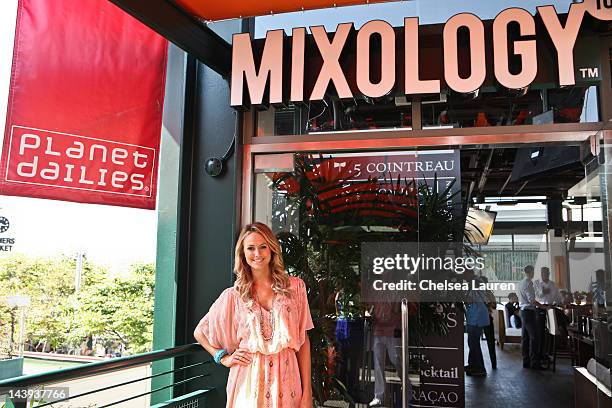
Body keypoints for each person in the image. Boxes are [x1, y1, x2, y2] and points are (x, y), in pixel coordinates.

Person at [194, 222, 314, 408]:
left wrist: (308, 392)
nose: (257, 254)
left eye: (263, 247)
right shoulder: (233, 296)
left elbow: (303, 340)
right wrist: (223, 358)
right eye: (251, 248)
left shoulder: (295, 288)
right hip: (248, 382)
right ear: (243, 253)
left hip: (288, 380)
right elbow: (200, 332)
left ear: (272, 249)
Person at [369, 301, 402, 407]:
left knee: (396, 359)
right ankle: (379, 396)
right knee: (378, 364)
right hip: (378, 330)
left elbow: (397, 309)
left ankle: (406, 386)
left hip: (393, 330)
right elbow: (370, 308)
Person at [517, 265, 547, 370]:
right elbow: (532, 300)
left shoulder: (520, 283)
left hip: (523, 311)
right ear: (531, 272)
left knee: (525, 338)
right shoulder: (529, 283)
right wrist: (543, 307)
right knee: (534, 337)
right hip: (529, 312)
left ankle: (526, 362)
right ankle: (535, 363)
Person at [464, 268, 490, 376]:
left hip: (476, 317)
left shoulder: (476, 283)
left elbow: (470, 299)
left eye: (465, 275)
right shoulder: (476, 282)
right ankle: (472, 364)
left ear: (470, 273)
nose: (464, 277)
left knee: (474, 342)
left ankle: (479, 368)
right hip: (475, 316)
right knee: (472, 342)